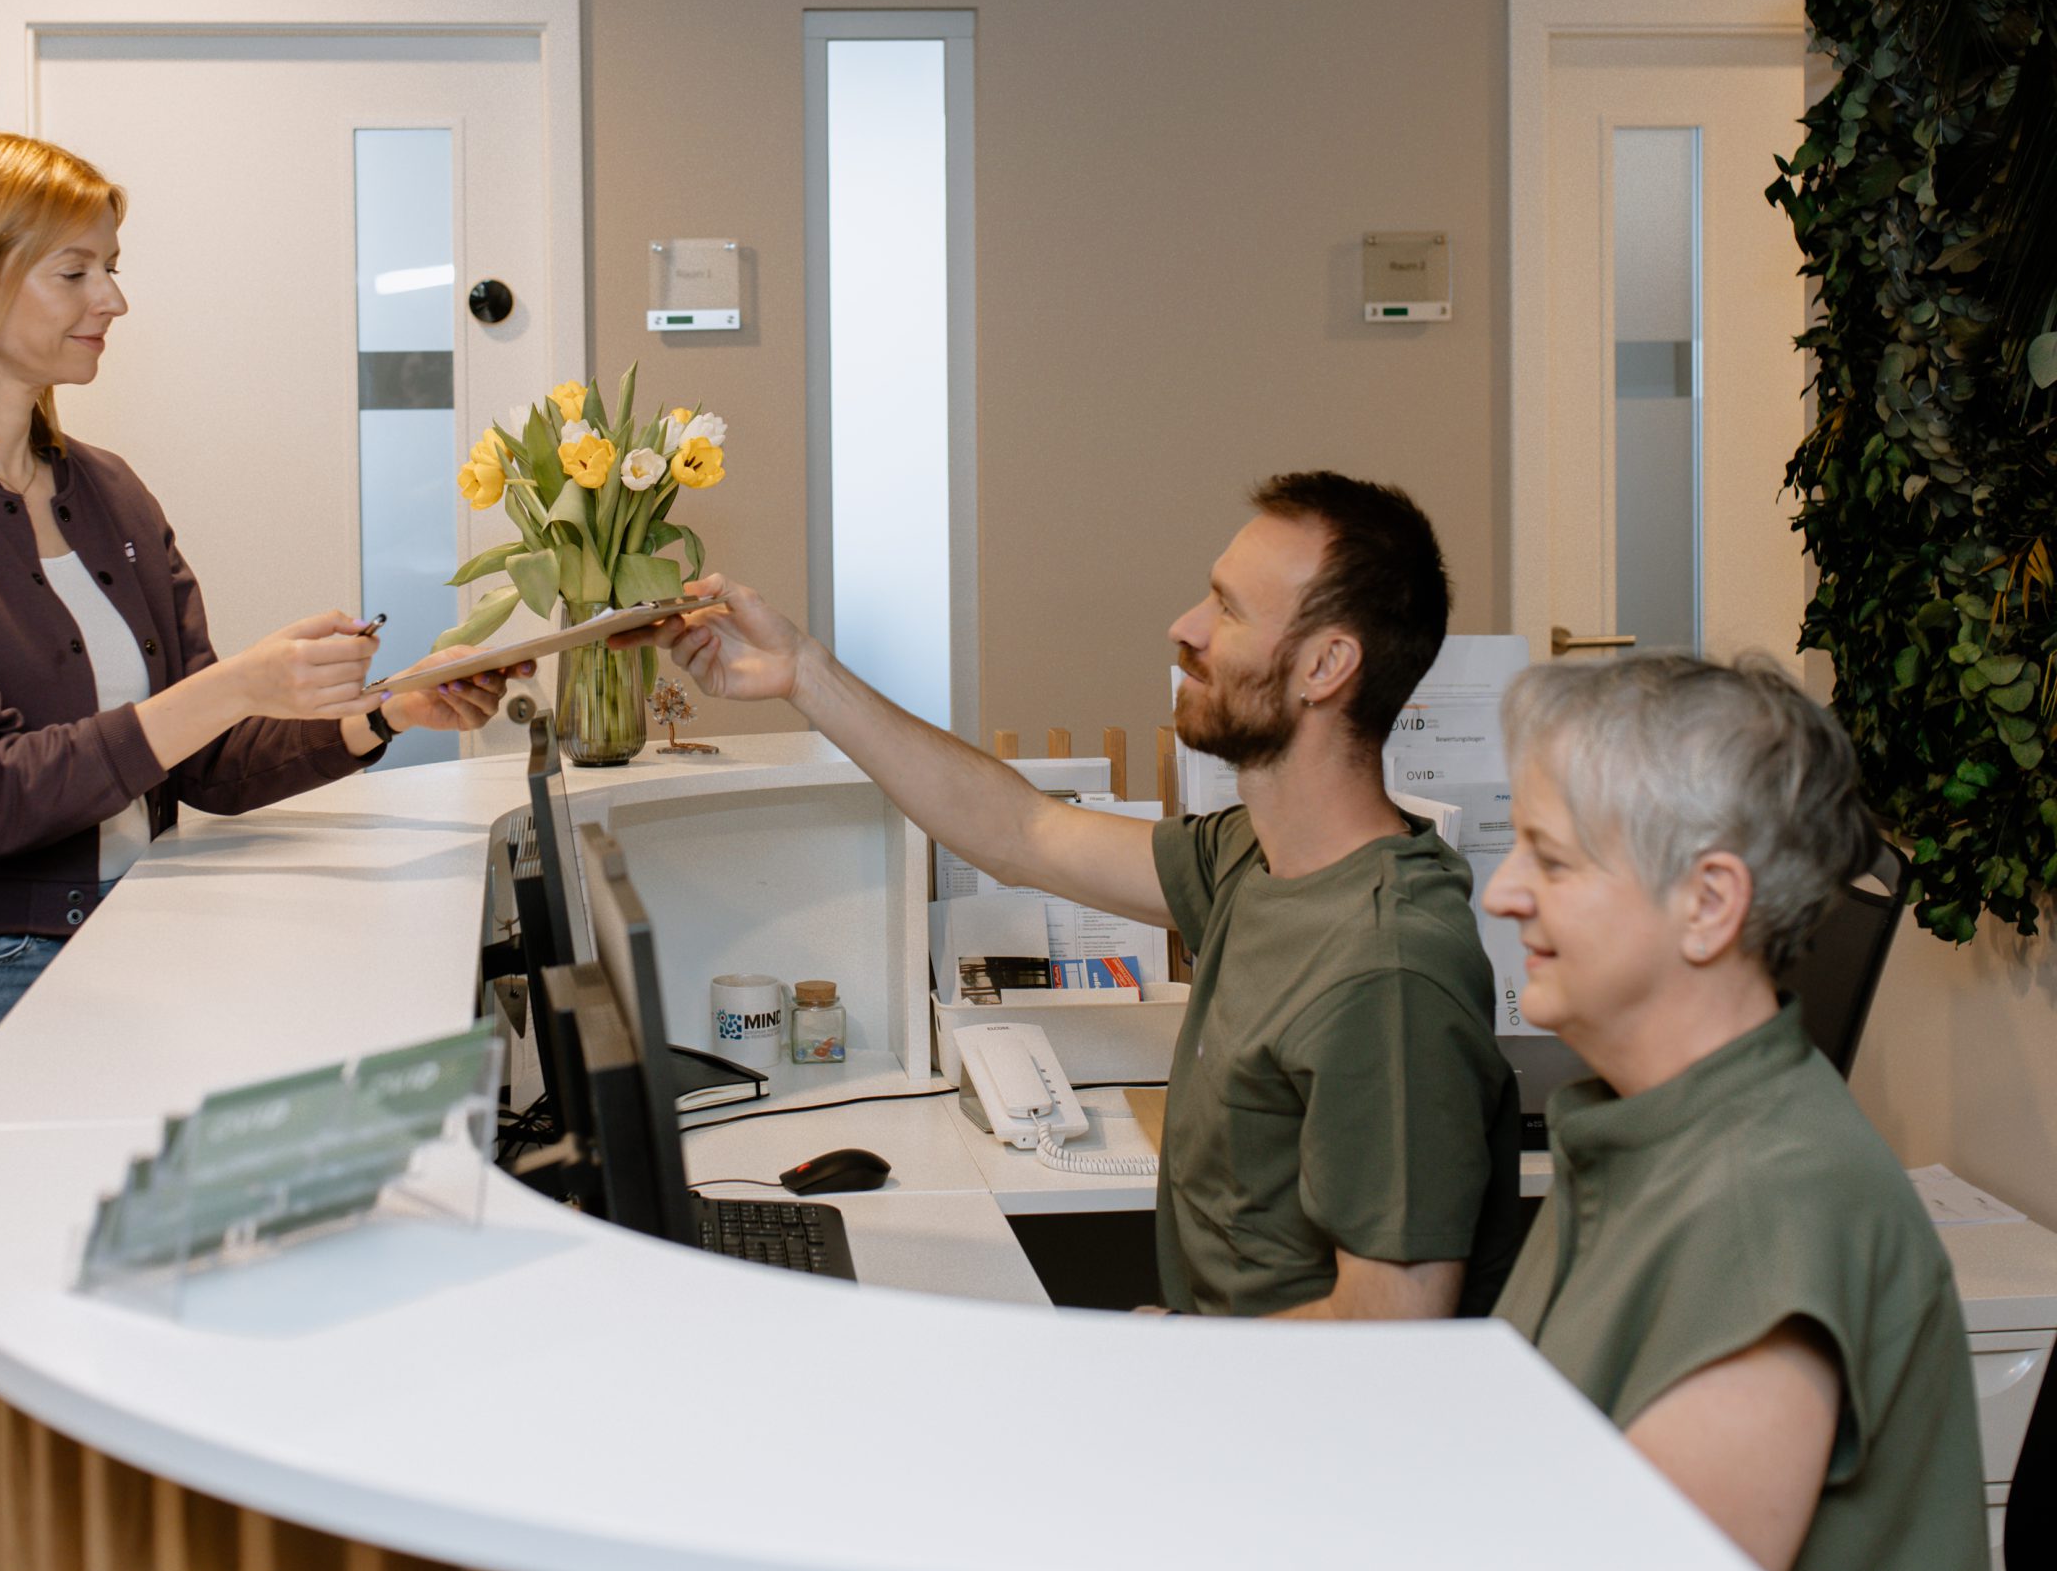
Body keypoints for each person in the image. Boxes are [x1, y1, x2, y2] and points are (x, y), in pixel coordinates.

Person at [0, 132, 527, 1571]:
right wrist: (225, 685)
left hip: (113, 976)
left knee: (86, 1405)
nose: (113, 298)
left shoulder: (101, 490)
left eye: (112, 265)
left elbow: (208, 761)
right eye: (79, 269)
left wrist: (377, 717)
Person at [629, 472, 1520, 1318]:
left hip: (1280, 1440)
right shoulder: (1261, 861)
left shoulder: (1387, 969)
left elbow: (1391, 1327)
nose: (1186, 628)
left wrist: (1155, 1348)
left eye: (1227, 610)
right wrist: (804, 673)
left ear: (1326, 665)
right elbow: (1023, 833)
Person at [1483, 654, 1985, 1571]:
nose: (1501, 892)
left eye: (1549, 859)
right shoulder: (1643, 1127)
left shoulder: (1771, 1203)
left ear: (1708, 903)